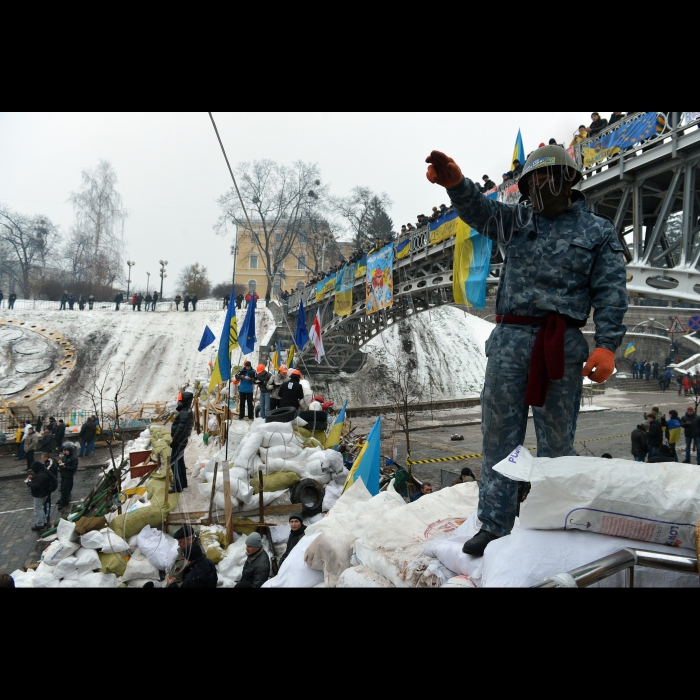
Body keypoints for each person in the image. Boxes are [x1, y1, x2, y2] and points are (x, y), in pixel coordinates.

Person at [426, 145, 627, 557]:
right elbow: (480, 212)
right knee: (500, 439)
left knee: (557, 443)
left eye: (548, 177)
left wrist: (607, 345)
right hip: (510, 343)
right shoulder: (517, 219)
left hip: (561, 344)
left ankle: (555, 521)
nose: (539, 185)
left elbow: (611, 292)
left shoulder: (598, 231)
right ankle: (495, 524)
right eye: (533, 179)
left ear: (570, 180)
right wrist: (457, 186)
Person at [170, 392, 194, 493]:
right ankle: (183, 482)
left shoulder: (184, 413)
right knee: (179, 461)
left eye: (180, 401)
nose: (178, 402)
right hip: (182, 441)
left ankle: (178, 486)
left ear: (184, 401)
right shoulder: (185, 411)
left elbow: (181, 429)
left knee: (173, 463)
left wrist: (175, 441)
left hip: (179, 441)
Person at [27, 461, 55, 531]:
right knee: (40, 508)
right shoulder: (43, 473)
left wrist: (29, 483)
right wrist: (33, 478)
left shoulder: (41, 475)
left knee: (38, 509)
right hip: (44, 493)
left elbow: (36, 486)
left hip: (39, 494)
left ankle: (39, 524)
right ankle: (44, 521)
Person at [56, 445, 78, 511]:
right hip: (64, 474)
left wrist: (66, 467)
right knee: (62, 488)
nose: (65, 452)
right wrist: (60, 464)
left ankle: (64, 502)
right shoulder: (65, 457)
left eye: (66, 451)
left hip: (68, 475)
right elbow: (62, 465)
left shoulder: (73, 458)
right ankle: (63, 499)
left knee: (65, 488)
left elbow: (73, 468)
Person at [40, 452, 58, 524]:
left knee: (47, 499)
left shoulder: (51, 462)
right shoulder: (45, 463)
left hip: (50, 483)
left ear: (46, 458)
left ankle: (47, 514)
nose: (41, 459)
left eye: (42, 458)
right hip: (47, 482)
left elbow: (47, 471)